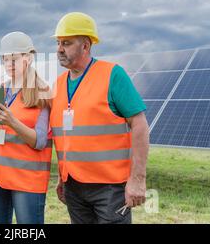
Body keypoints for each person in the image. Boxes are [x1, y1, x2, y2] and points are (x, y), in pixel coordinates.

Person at [50, 12, 150, 224]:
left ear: (85, 46)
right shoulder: (58, 85)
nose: (59, 49)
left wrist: (138, 179)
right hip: (73, 187)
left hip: (109, 188)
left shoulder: (112, 75)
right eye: (58, 43)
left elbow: (139, 125)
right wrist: (62, 175)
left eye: (66, 43)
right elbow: (66, 135)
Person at [0, 31, 52, 224]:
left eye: (14, 59)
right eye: (5, 59)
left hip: (26, 179)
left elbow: (40, 141)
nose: (8, 64)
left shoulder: (42, 93)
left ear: (28, 58)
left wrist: (12, 122)